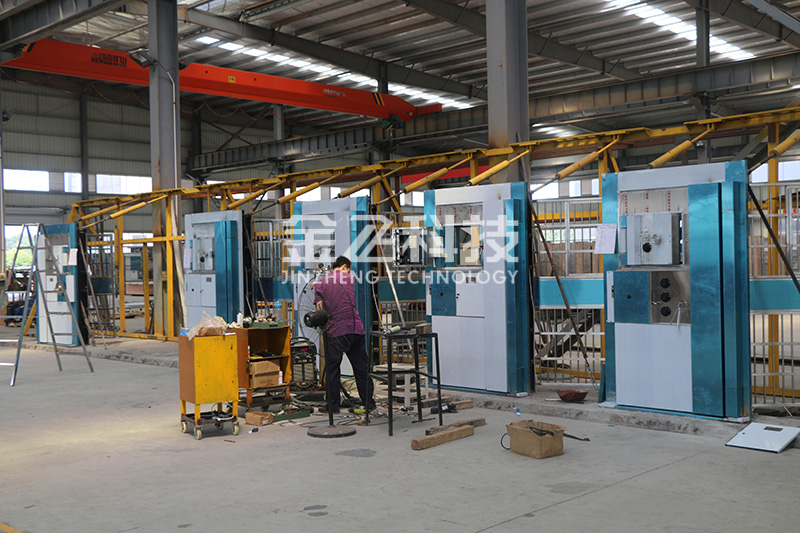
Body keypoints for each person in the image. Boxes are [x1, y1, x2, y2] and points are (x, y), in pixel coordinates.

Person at [313, 256, 375, 414]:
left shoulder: (321, 284)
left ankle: (333, 406)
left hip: (336, 332)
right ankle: (369, 403)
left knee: (333, 370)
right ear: (345, 267)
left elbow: (319, 311)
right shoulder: (350, 278)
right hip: (356, 329)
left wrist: (318, 284)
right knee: (361, 369)